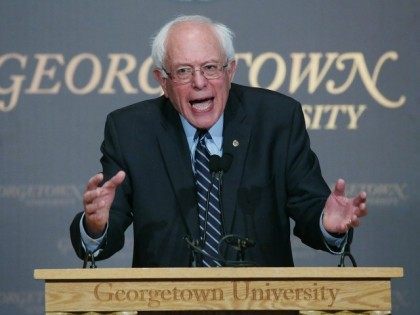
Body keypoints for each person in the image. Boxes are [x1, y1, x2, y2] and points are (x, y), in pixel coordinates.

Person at [70, 15, 367, 267]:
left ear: (231, 70)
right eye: (184, 71)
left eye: (210, 67)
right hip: (166, 307)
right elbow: (108, 228)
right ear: (163, 80)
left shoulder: (276, 119)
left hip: (263, 305)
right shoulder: (130, 130)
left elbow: (308, 206)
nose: (200, 82)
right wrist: (95, 226)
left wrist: (327, 224)